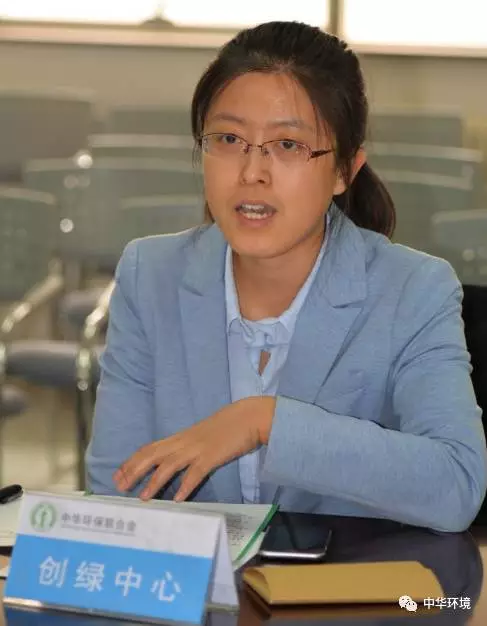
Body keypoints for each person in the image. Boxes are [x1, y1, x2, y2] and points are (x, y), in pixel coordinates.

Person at [86, 21, 487, 532]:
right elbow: (115, 493)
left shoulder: (414, 289)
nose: (252, 172)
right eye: (228, 139)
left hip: (353, 582)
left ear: (345, 169)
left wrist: (266, 421)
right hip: (190, 580)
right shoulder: (151, 275)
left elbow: (456, 484)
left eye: (289, 145)